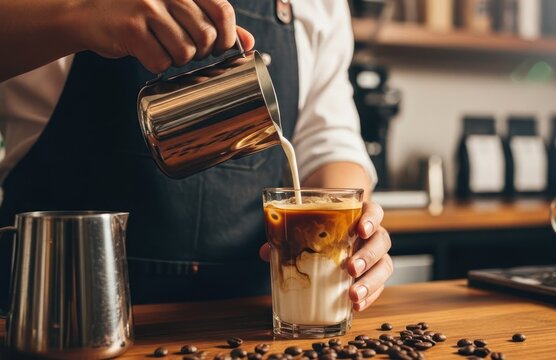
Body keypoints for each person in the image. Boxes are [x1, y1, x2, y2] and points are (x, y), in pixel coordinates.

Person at [0, 0, 393, 310]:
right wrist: (79, 15)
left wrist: (352, 228)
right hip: (64, 313)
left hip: (250, 318)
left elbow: (327, 140)